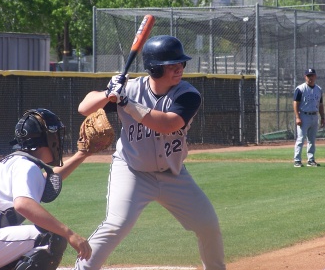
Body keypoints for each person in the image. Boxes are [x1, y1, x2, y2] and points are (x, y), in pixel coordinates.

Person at [76, 35, 226, 270]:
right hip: (132, 171)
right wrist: (108, 93)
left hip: (173, 174)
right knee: (117, 224)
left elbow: (166, 124)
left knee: (207, 224)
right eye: (172, 65)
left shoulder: (188, 95)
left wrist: (125, 102)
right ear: (155, 69)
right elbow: (84, 108)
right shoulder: (129, 88)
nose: (179, 69)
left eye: (181, 64)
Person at [0, 108, 92, 270]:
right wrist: (69, 233)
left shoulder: (12, 162)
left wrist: (82, 154)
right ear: (46, 139)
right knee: (51, 237)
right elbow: (23, 204)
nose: (59, 140)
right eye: (56, 135)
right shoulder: (26, 166)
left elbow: (46, 181)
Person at [293, 68, 325, 167]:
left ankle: (311, 160)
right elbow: (295, 103)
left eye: (312, 75)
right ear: (305, 77)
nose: (310, 78)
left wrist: (323, 117)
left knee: (311, 139)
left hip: (314, 116)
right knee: (301, 138)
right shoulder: (300, 89)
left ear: (315, 76)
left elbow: (320, 105)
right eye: (308, 76)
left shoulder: (318, 89)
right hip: (304, 115)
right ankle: (297, 160)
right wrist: (297, 117)